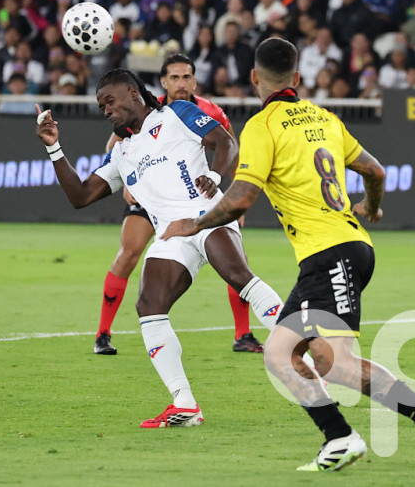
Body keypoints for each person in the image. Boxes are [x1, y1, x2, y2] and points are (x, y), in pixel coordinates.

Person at [161, 38, 415, 474]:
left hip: (330, 254)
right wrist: (371, 206)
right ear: (298, 79)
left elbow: (242, 197)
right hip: (348, 247)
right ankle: (355, 436)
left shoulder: (263, 126)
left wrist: (195, 223)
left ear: (253, 78)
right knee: (315, 358)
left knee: (297, 357)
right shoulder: (325, 119)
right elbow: (374, 171)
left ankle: (414, 423)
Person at [35, 69, 288, 428]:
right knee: (149, 306)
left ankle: (301, 342)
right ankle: (184, 404)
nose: (106, 110)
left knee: (238, 276)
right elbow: (79, 196)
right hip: (171, 235)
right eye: (101, 105)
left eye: (110, 101)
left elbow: (226, 143)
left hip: (207, 213)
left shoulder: (176, 114)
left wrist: (215, 177)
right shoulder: (122, 152)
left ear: (133, 93)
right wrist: (53, 146)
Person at [93, 54, 262, 356]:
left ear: (194, 80)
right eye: (175, 77)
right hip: (149, 196)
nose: (181, 82)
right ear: (163, 82)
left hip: (194, 196)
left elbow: (232, 148)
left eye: (187, 77)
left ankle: (243, 333)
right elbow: (112, 149)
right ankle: (103, 333)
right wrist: (127, 184)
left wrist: (236, 200)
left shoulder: (208, 110)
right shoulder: (138, 107)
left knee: (238, 261)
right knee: (129, 252)